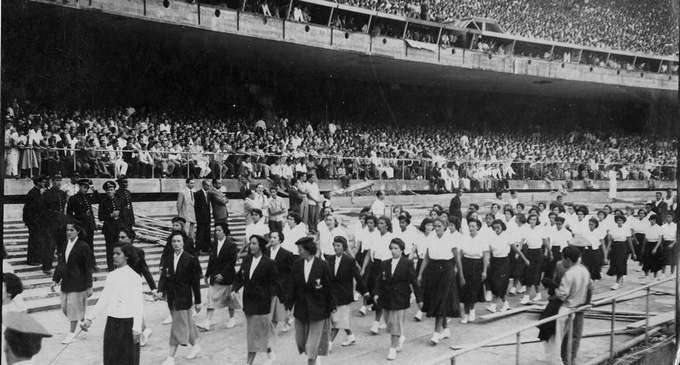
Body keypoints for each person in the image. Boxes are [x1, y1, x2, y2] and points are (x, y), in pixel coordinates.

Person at [82, 243, 143, 365]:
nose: (114, 256)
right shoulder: (112, 275)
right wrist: (89, 317)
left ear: (127, 256)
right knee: (111, 358)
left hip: (128, 323)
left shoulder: (134, 277)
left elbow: (138, 303)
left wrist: (137, 327)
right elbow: (104, 299)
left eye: (118, 254)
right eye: (113, 254)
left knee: (127, 359)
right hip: (112, 322)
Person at [285, 237, 336, 365]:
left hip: (319, 310)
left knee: (311, 346)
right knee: (301, 342)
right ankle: (314, 356)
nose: (299, 251)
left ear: (308, 250)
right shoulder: (297, 264)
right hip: (301, 310)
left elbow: (329, 290)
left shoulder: (323, 265)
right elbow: (291, 288)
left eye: (300, 249)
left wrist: (333, 311)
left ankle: (312, 360)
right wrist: (287, 309)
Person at [233, 235, 280, 365]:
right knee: (258, 331)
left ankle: (249, 363)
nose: (251, 246)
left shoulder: (269, 263)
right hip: (248, 302)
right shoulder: (247, 260)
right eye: (250, 243)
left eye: (254, 244)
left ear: (260, 246)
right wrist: (234, 289)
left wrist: (284, 302)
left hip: (261, 304)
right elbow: (240, 277)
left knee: (253, 334)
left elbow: (276, 283)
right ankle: (270, 354)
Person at [158, 231, 203, 365]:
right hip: (171, 297)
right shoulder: (168, 259)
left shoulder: (190, 259)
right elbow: (164, 277)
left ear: (183, 243)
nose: (176, 244)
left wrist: (198, 301)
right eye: (174, 241)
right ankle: (195, 346)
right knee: (187, 322)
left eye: (178, 241)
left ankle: (171, 357)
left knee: (177, 326)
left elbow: (195, 282)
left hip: (184, 298)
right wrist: (161, 290)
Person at [417, 216, 464, 345]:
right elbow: (426, 257)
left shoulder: (450, 238)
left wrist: (461, 276)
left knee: (441, 299)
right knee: (436, 299)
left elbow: (457, 259)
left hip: (447, 269)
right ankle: (446, 329)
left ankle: (436, 333)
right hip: (433, 269)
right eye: (434, 226)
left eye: (439, 226)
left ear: (445, 226)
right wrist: (420, 274)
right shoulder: (431, 237)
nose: (436, 228)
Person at [374, 238, 422, 360]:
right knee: (389, 322)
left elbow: (414, 281)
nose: (393, 251)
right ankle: (400, 337)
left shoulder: (408, 263)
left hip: (400, 297)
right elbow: (379, 280)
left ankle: (392, 348)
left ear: (401, 250)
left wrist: (419, 299)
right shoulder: (385, 263)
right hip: (386, 297)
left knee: (395, 323)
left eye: (396, 249)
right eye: (392, 248)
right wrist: (376, 293)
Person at [545, 246, 593, 365]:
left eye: (563, 259)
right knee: (573, 335)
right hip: (578, 306)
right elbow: (590, 287)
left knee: (558, 338)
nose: (562, 261)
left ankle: (558, 361)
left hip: (566, 308)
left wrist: (554, 292)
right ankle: (569, 360)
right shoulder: (584, 271)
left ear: (568, 259)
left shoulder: (569, 274)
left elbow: (562, 294)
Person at [50, 221, 93, 344]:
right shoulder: (64, 244)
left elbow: (87, 267)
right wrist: (55, 280)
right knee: (65, 308)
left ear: (78, 231)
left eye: (72, 230)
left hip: (79, 282)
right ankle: (83, 319)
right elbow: (61, 263)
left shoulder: (83, 246)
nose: (68, 232)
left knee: (73, 308)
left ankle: (71, 334)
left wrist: (89, 286)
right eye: (67, 230)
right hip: (66, 281)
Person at [117, 228, 155, 346]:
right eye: (119, 237)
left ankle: (140, 335)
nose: (120, 239)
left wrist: (153, 288)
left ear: (131, 239)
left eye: (123, 237)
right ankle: (143, 331)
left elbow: (145, 270)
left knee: (134, 311)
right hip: (122, 285)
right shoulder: (117, 251)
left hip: (133, 286)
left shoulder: (138, 251)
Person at [328, 236, 367, 349]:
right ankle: (350, 336)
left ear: (344, 247)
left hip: (344, 293)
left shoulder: (349, 261)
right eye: (334, 245)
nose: (336, 248)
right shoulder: (330, 259)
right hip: (333, 293)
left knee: (338, 318)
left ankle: (329, 343)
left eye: (338, 245)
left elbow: (357, 277)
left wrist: (365, 291)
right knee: (341, 317)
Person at [199, 222, 239, 331]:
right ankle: (207, 322)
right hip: (215, 276)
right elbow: (211, 260)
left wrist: (223, 274)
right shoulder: (214, 244)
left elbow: (232, 262)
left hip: (228, 276)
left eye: (219, 230)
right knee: (211, 297)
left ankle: (231, 318)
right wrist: (207, 274)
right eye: (216, 230)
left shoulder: (231, 245)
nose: (217, 232)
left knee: (230, 298)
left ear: (224, 231)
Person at [486, 219, 528, 313]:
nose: (496, 229)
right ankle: (505, 304)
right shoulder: (491, 237)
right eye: (495, 228)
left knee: (499, 283)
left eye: (498, 228)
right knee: (494, 283)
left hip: (504, 262)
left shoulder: (507, 236)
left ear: (502, 227)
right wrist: (488, 261)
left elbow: (516, 250)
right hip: (494, 261)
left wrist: (525, 259)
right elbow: (489, 251)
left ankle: (494, 305)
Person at [362, 216, 393, 334]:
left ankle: (376, 323)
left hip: (386, 266)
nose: (379, 225)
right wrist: (364, 268)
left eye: (381, 223)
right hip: (375, 265)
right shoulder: (374, 236)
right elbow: (369, 254)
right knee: (375, 292)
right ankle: (384, 320)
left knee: (380, 294)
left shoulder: (391, 237)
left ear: (387, 225)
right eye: (378, 223)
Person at [459, 219, 489, 323]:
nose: (471, 228)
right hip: (465, 263)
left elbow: (485, 256)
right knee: (464, 289)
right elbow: (460, 253)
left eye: (473, 226)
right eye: (469, 226)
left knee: (473, 289)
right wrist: (457, 267)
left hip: (477, 264)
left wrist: (484, 271)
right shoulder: (464, 237)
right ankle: (466, 314)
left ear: (477, 227)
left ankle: (472, 310)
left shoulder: (482, 238)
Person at [66, 178, 99, 269]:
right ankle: (82, 265)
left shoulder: (87, 197)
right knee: (81, 246)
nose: (86, 189)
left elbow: (98, 199)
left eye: (87, 188)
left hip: (89, 225)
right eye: (84, 187)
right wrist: (77, 221)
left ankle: (92, 264)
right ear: (79, 187)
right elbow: (69, 213)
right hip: (81, 226)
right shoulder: (73, 198)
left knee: (90, 246)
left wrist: (94, 190)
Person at [266, 231, 295, 332]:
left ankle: (285, 321)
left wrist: (286, 285)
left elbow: (290, 272)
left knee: (278, 307)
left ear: (280, 239)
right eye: (271, 237)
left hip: (280, 285)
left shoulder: (286, 254)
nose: (272, 239)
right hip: (268, 284)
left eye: (275, 237)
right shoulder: (266, 252)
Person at [519, 214, 548, 305]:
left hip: (538, 252)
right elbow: (521, 242)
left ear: (537, 220)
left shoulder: (540, 229)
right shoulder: (525, 229)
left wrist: (549, 252)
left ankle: (528, 295)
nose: (532, 221)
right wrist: (518, 252)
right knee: (528, 273)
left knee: (536, 273)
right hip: (529, 252)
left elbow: (545, 242)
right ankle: (537, 293)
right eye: (531, 219)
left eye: (534, 219)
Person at [43, 174, 69, 275]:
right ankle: (47, 267)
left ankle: (61, 267)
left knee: (62, 246)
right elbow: (43, 210)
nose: (59, 183)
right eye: (57, 180)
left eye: (60, 180)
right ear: (52, 181)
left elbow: (63, 209)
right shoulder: (47, 193)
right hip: (51, 223)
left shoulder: (62, 193)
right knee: (50, 245)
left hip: (61, 223)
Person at [99, 181, 125, 271]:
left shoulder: (119, 201)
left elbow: (124, 214)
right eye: (107, 190)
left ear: (114, 190)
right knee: (110, 249)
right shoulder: (103, 202)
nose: (109, 192)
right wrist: (110, 215)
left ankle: (120, 265)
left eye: (111, 189)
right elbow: (100, 217)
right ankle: (111, 267)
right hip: (109, 228)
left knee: (120, 247)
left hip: (119, 227)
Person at [23, 174, 49, 266]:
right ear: (38, 182)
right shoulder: (33, 193)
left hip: (38, 222)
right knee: (35, 240)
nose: (44, 183)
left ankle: (37, 258)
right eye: (43, 182)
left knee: (38, 240)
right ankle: (33, 260)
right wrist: (31, 222)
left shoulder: (37, 192)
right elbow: (28, 210)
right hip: (34, 222)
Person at [606, 215, 636, 289]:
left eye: (621, 220)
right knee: (614, 264)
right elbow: (610, 241)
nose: (619, 222)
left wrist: (633, 253)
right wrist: (607, 250)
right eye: (618, 220)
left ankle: (617, 282)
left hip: (622, 247)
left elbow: (629, 242)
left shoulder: (626, 229)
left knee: (620, 264)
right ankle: (621, 276)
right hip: (614, 247)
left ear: (623, 221)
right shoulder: (613, 229)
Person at [194, 180, 212, 254]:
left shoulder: (208, 194)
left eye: (209, 186)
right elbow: (196, 207)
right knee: (200, 233)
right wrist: (198, 217)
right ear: (203, 185)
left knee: (207, 233)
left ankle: (206, 248)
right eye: (207, 186)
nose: (209, 187)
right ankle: (198, 249)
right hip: (201, 218)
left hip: (207, 217)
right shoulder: (198, 193)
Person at [660, 212, 677, 279]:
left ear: (672, 218)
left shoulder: (675, 226)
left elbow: (677, 237)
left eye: (670, 217)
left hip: (673, 243)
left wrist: (672, 244)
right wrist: (661, 245)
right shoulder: (663, 226)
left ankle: (672, 274)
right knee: (664, 259)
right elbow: (661, 237)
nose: (668, 218)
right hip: (665, 243)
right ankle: (663, 274)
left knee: (672, 259)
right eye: (667, 217)